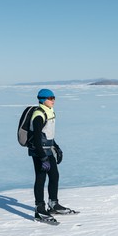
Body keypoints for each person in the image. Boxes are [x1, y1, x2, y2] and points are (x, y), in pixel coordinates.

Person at [29, 89, 73, 222]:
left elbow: (47, 134)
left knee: (54, 175)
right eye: (50, 98)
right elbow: (36, 139)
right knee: (41, 177)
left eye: (54, 97)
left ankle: (53, 204)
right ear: (42, 99)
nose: (53, 100)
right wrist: (42, 157)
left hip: (48, 149)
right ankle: (39, 210)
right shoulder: (38, 115)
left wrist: (57, 147)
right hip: (39, 152)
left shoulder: (49, 111)